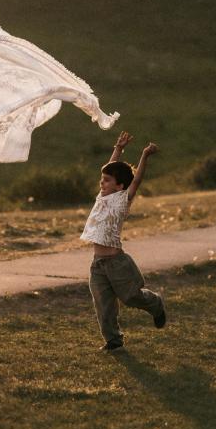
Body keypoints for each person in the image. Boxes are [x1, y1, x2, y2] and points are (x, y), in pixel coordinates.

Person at [81, 131, 166, 351]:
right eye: (102, 180)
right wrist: (118, 149)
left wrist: (145, 155)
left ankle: (155, 304)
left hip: (116, 263)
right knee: (103, 304)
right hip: (98, 264)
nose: (102, 182)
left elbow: (136, 179)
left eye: (107, 181)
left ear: (119, 186)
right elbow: (110, 168)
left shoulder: (122, 200)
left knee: (130, 298)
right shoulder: (103, 197)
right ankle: (113, 341)